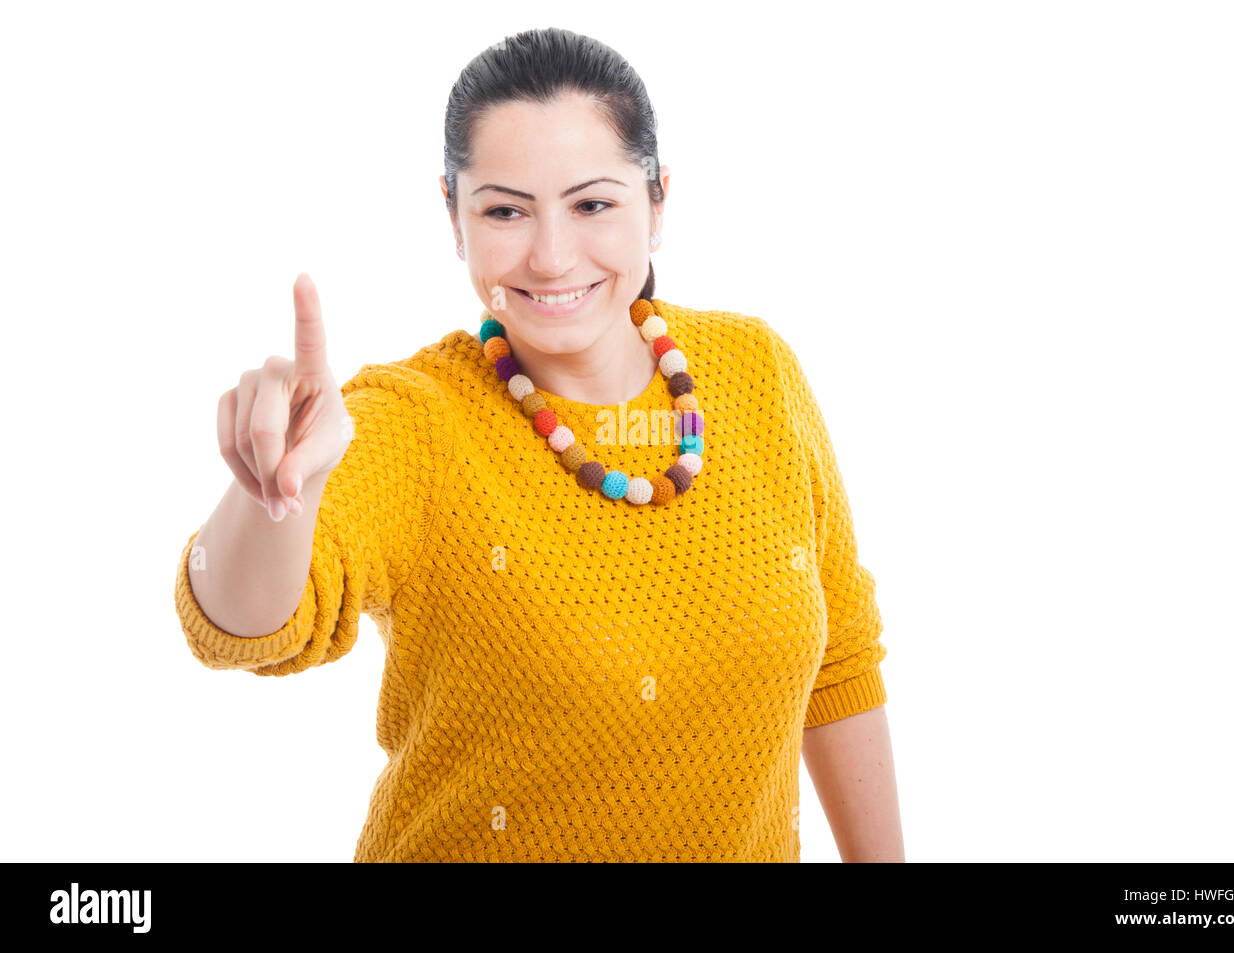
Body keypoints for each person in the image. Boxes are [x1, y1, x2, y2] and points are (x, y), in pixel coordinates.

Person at [173, 27, 903, 863]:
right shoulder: (415, 419)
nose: (552, 258)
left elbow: (840, 658)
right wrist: (270, 494)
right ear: (453, 215)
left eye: (592, 204)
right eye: (505, 210)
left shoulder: (757, 372)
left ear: (658, 201)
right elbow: (242, 623)